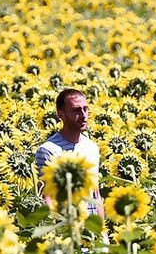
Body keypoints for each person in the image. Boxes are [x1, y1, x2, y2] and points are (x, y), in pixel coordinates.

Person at [35, 88, 105, 223]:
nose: (84, 115)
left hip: (92, 230)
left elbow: (96, 195)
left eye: (85, 109)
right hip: (67, 230)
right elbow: (47, 197)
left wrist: (102, 233)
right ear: (61, 114)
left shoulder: (92, 147)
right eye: (76, 110)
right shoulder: (48, 150)